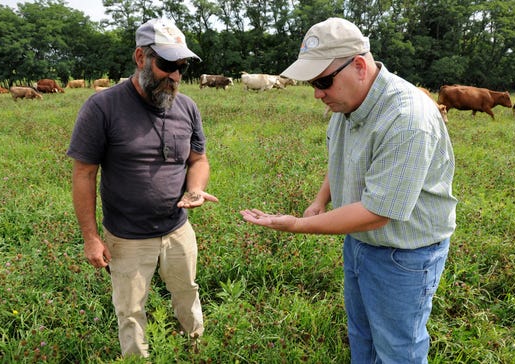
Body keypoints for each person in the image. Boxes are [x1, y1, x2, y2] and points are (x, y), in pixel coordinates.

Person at [240, 17, 457, 363]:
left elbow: (377, 212)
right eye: (313, 82)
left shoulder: (407, 118)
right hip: (358, 242)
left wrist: (296, 224)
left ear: (358, 65)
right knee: (362, 335)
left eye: (323, 81)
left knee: (398, 348)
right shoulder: (345, 105)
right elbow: (341, 157)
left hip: (404, 255)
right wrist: (319, 200)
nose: (317, 93)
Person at [67, 18, 218, 358]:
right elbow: (84, 173)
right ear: (140, 58)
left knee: (187, 293)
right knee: (131, 309)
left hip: (178, 230)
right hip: (127, 237)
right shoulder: (102, 107)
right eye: (167, 65)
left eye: (181, 66)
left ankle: (194, 351)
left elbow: (199, 160)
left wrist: (195, 189)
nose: (176, 76)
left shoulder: (186, 107)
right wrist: (91, 237)